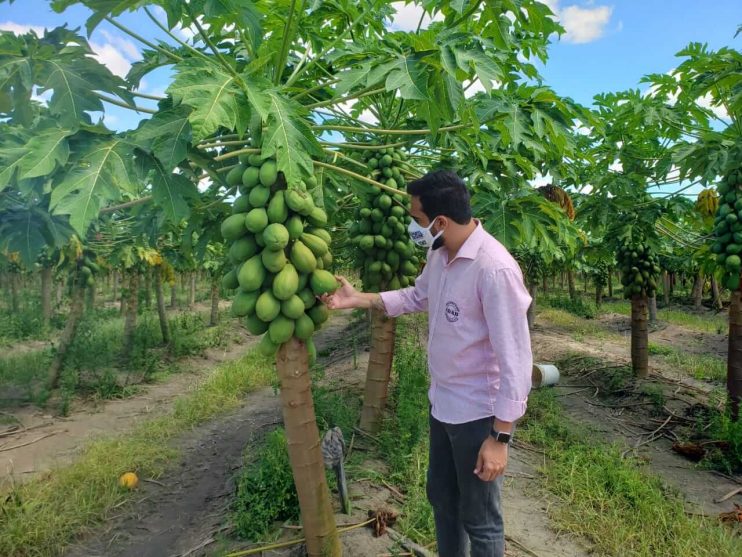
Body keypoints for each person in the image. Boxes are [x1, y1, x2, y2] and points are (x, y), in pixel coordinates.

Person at [322, 169, 533, 557]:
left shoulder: (494, 269)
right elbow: (417, 296)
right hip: (444, 406)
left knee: (481, 519)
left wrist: (500, 438)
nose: (413, 226)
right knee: (442, 499)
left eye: (417, 219)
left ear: (440, 222)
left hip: (478, 414)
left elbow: (517, 362)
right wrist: (359, 298)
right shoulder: (439, 253)